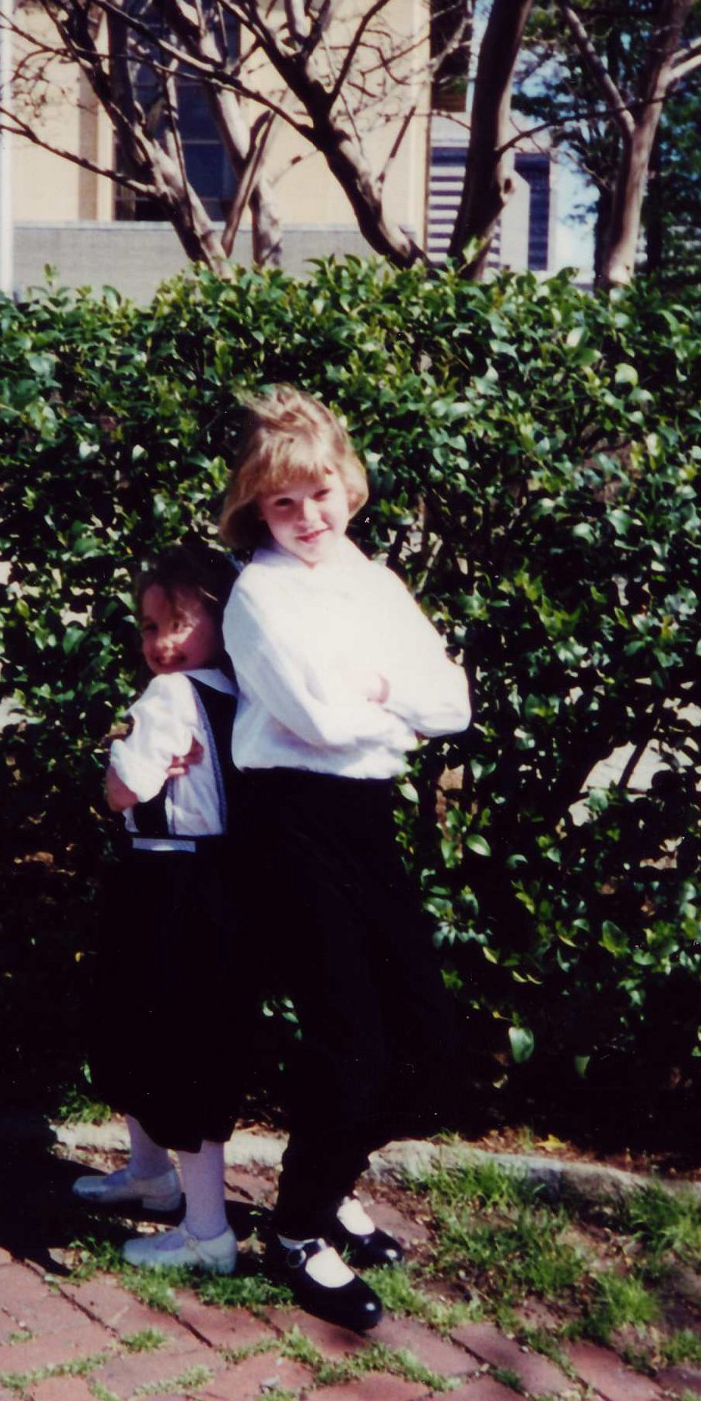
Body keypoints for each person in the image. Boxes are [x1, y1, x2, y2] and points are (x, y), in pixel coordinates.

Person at [221, 385, 472, 1331]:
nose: (306, 517)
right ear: (256, 507)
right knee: (351, 1041)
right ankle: (295, 1232)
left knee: (428, 1041)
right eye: (282, 503)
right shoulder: (259, 595)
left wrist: (381, 691)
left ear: (348, 488)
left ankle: (326, 1191)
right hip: (292, 823)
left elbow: (453, 701)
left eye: (319, 493)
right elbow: (320, 722)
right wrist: (388, 695)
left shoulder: (370, 578)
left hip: (366, 816)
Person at [72, 543, 244, 1275]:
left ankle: (207, 1230)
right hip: (206, 883)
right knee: (142, 1028)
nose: (160, 644)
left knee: (172, 1043)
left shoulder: (172, 696)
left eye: (176, 623)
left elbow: (125, 788)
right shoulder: (234, 696)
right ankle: (150, 1176)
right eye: (148, 627)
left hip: (169, 886)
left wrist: (119, 761)